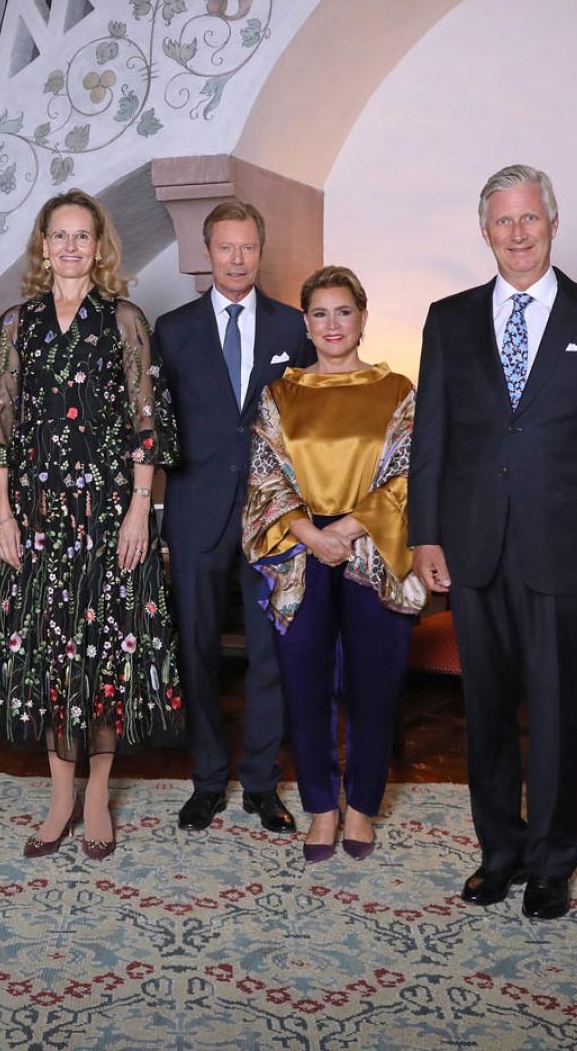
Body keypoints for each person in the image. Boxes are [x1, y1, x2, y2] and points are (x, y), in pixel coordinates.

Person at [408, 164, 577, 920]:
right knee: (486, 711)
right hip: (473, 546)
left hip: (565, 550)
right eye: (503, 221)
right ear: (486, 231)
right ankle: (499, 853)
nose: (517, 233)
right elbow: (432, 439)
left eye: (529, 219)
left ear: (552, 222)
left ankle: (552, 862)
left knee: (557, 712)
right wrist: (424, 536)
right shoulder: (448, 319)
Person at [0, 189, 183, 860]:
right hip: (36, 520)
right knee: (47, 651)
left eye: (82, 237)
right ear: (43, 246)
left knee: (103, 651)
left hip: (108, 517)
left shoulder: (124, 320)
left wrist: (138, 511)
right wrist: (1, 513)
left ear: (100, 247)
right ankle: (59, 796)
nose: (70, 248)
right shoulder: (15, 326)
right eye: (58, 236)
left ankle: (97, 794)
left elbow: (148, 425)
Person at [243, 266, 423, 861]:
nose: (332, 325)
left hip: (373, 548)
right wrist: (308, 533)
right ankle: (322, 806)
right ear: (306, 323)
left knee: (375, 684)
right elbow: (265, 478)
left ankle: (363, 807)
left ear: (363, 318)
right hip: (299, 552)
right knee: (305, 683)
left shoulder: (397, 391)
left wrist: (343, 530)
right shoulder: (280, 395)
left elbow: (407, 474)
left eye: (343, 312)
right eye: (319, 314)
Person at [156, 199, 313, 835]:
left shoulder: (292, 326)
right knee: (194, 649)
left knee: (269, 652)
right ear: (207, 252)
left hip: (270, 516)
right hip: (195, 512)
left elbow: (306, 425)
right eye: (226, 247)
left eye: (248, 247)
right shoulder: (171, 328)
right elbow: (155, 422)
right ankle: (206, 780)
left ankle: (260, 783)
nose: (237, 258)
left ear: (260, 250)